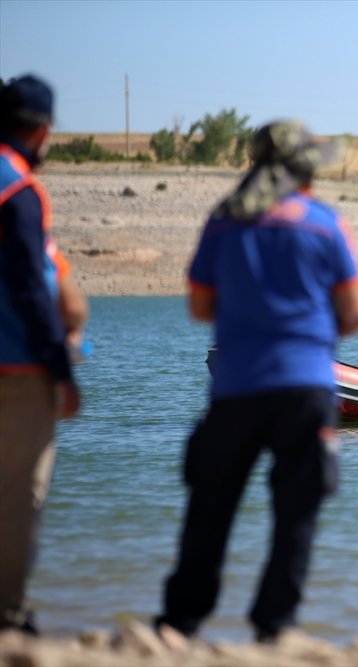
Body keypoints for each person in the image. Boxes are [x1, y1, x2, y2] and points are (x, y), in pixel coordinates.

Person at [155, 120, 358, 645]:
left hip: (236, 389)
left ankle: (180, 624)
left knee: (211, 508)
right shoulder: (324, 224)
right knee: (296, 512)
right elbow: (354, 312)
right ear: (304, 173)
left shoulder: (223, 221)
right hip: (306, 387)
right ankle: (274, 628)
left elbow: (200, 306)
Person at [0, 74, 87, 635]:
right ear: (43, 129)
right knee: (19, 491)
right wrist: (61, 368)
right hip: (17, 367)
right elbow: (33, 287)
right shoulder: (18, 189)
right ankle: (8, 612)